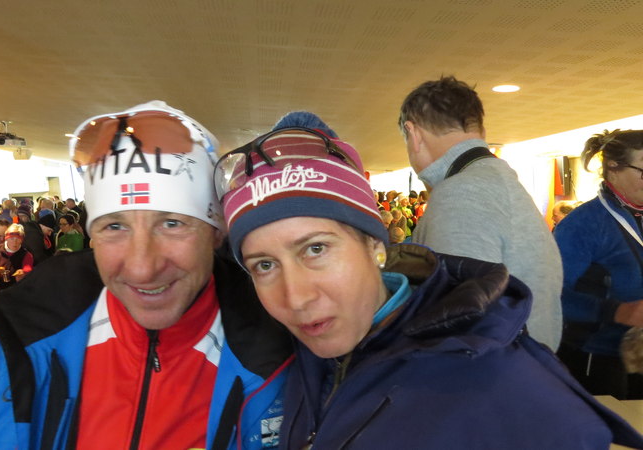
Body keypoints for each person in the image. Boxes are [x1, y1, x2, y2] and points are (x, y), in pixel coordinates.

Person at [214, 111, 643, 449]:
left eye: (316, 249)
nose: (295, 298)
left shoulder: (499, 385)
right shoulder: (307, 359)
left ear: (375, 245)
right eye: (264, 265)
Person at [0, 101, 292, 449]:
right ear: (91, 237)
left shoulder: (282, 358)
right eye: (115, 227)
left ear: (216, 233)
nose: (142, 267)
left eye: (172, 224)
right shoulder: (10, 345)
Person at [398, 75, 563, 350]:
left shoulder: (460, 194)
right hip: (523, 364)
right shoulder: (501, 184)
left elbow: (455, 322)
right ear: (480, 130)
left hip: (489, 370)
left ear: (413, 134)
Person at [554, 129, 643, 399]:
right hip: (596, 356)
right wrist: (617, 311)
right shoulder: (583, 225)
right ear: (613, 169)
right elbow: (551, 294)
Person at [0, 223, 33, 291]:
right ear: (6, 238)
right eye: (12, 238)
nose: (15, 242)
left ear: (21, 240)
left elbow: (28, 269)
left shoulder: (26, 255)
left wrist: (23, 273)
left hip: (15, 291)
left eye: (18, 239)